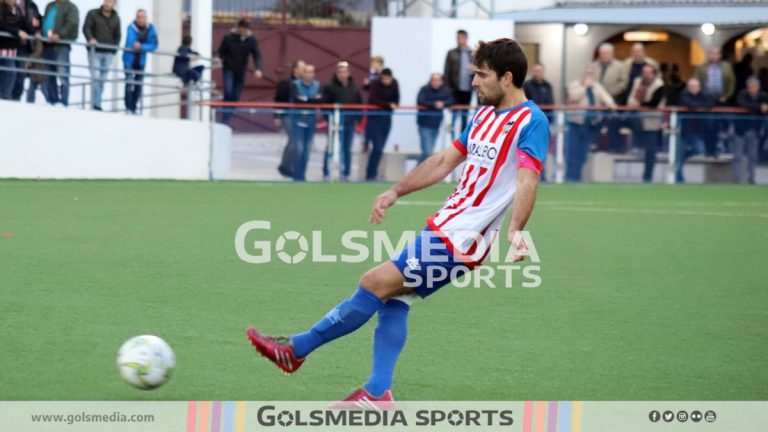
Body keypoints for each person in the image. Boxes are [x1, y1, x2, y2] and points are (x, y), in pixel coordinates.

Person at [246, 38, 550, 407]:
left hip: (463, 240)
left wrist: (516, 230)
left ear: (507, 77)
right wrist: (395, 192)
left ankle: (297, 349)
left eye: (481, 75)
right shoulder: (484, 114)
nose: (473, 82)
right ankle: (378, 392)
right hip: (445, 226)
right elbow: (442, 161)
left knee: (374, 282)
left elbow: (527, 179)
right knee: (396, 299)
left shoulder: (531, 121)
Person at [566, 66, 616, 181]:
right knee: (573, 152)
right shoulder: (575, 85)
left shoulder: (597, 87)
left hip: (590, 125)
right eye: (586, 74)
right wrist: (585, 87)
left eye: (591, 74)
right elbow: (574, 97)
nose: (589, 76)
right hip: (576, 123)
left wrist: (610, 105)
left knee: (583, 154)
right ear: (583, 75)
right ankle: (570, 178)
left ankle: (577, 177)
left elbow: (608, 99)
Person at [322, 60, 362, 182]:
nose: (342, 75)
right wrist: (328, 118)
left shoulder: (354, 88)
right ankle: (326, 171)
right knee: (331, 147)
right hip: (335, 122)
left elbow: (359, 104)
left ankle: (346, 173)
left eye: (344, 72)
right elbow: (324, 104)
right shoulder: (330, 88)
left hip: (349, 122)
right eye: (340, 72)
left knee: (347, 148)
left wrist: (357, 119)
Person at [217, 18, 262, 124]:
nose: (242, 32)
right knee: (228, 91)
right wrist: (220, 59)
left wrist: (258, 68)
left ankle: (228, 114)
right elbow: (221, 51)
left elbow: (256, 55)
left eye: (244, 30)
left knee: (236, 95)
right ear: (238, 28)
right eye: (241, 29)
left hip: (241, 71)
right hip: (228, 68)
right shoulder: (228, 38)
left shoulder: (251, 40)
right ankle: (225, 118)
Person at [627, 64, 665, 182]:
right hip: (639, 119)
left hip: (652, 122)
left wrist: (640, 104)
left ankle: (647, 177)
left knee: (650, 152)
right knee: (619, 120)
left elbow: (654, 104)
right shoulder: (637, 82)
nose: (646, 75)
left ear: (653, 74)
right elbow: (631, 100)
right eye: (644, 73)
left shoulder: (660, 85)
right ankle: (633, 146)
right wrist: (639, 103)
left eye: (649, 73)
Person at [694, 47, 736, 156]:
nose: (714, 56)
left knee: (720, 125)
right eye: (712, 53)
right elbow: (696, 83)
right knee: (707, 125)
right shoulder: (701, 68)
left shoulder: (726, 67)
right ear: (708, 55)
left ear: (720, 55)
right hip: (706, 100)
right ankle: (708, 149)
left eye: (716, 54)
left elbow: (732, 83)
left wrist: (726, 96)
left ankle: (719, 148)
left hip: (721, 100)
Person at [83, 0, 120, 111]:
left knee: (102, 80)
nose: (108, 3)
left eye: (111, 2)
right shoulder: (93, 13)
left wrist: (113, 50)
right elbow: (86, 28)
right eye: (107, 1)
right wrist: (91, 39)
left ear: (114, 4)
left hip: (108, 53)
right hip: (95, 52)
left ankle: (96, 102)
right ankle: (96, 105)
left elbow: (118, 36)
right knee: (96, 77)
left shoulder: (116, 18)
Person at [676, 78, 714, 183]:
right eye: (691, 86)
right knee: (678, 155)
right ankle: (678, 176)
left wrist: (696, 107)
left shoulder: (703, 95)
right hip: (683, 131)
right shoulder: (683, 95)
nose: (693, 89)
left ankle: (685, 155)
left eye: (695, 86)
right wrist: (698, 107)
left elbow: (710, 103)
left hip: (696, 131)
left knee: (699, 149)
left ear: (699, 87)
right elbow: (687, 103)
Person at [592, 42, 628, 153]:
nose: (604, 56)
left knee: (613, 124)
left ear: (612, 54)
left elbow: (624, 83)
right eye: (602, 53)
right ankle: (594, 145)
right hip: (597, 101)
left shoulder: (620, 66)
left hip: (613, 99)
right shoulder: (593, 66)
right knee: (595, 123)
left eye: (606, 53)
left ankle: (615, 147)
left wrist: (611, 93)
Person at [41, 0, 78, 106]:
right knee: (49, 74)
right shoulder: (49, 5)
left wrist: (59, 35)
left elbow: (72, 24)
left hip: (61, 46)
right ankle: (52, 100)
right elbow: (45, 21)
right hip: (47, 44)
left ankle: (64, 102)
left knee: (63, 73)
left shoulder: (71, 7)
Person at [289, 63, 322, 182]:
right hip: (297, 119)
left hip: (310, 120)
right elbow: (297, 100)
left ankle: (303, 174)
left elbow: (319, 100)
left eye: (311, 72)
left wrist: (306, 99)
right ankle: (296, 175)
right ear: (303, 73)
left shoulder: (317, 85)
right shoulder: (295, 84)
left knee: (307, 149)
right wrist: (311, 100)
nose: (309, 74)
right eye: (307, 71)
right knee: (299, 147)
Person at [365, 68, 399, 181]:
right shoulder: (375, 84)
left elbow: (396, 100)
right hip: (374, 119)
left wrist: (389, 105)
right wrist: (388, 105)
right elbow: (374, 100)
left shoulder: (395, 84)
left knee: (380, 148)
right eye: (384, 78)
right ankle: (370, 174)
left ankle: (373, 173)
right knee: (377, 147)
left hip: (386, 119)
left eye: (388, 78)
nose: (386, 81)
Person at [732, 77, 768, 184]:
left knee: (752, 156)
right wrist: (759, 107)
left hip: (755, 130)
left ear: (758, 88)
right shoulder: (742, 94)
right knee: (737, 156)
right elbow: (742, 104)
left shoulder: (763, 96)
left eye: (753, 88)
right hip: (740, 131)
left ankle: (751, 179)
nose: (751, 90)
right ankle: (736, 180)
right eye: (749, 87)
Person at [122, 9, 157, 114]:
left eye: (143, 17)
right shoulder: (131, 27)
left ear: (146, 18)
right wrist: (139, 45)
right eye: (139, 17)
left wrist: (142, 46)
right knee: (129, 83)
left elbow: (153, 45)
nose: (141, 19)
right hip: (129, 60)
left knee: (138, 85)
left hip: (141, 61)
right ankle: (128, 108)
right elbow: (131, 43)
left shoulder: (151, 29)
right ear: (136, 18)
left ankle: (134, 108)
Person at [274, 59, 304, 178]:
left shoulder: (304, 84)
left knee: (295, 142)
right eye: (302, 68)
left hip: (299, 116)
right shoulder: (286, 83)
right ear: (296, 70)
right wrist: (277, 116)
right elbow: (278, 100)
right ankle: (286, 166)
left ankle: (287, 165)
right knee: (293, 140)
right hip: (287, 115)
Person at [416, 73, 453, 163]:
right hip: (424, 124)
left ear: (441, 81)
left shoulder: (445, 90)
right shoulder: (424, 89)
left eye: (438, 80)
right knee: (428, 152)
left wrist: (443, 104)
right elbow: (420, 101)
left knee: (427, 153)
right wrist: (434, 104)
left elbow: (451, 101)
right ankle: (416, 174)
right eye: (434, 80)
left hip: (436, 124)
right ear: (430, 81)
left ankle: (416, 174)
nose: (436, 83)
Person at [10, 0, 41, 102]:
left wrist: (36, 29)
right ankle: (6, 95)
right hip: (9, 44)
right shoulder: (7, 5)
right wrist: (18, 32)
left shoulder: (31, 5)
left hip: (24, 46)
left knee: (20, 74)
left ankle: (15, 98)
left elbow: (35, 21)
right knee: (9, 70)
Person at [0, 0, 30, 99]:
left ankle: (7, 98)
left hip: (11, 50)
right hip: (2, 48)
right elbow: (2, 26)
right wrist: (16, 32)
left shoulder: (17, 10)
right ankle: (5, 97)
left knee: (11, 73)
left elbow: (23, 25)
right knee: (10, 73)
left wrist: (36, 31)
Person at [444, 29, 473, 132]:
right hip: (455, 89)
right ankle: (453, 139)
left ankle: (462, 139)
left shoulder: (472, 53)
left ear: (465, 38)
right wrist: (448, 90)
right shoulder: (451, 53)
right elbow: (447, 72)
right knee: (454, 115)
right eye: (457, 38)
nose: (458, 40)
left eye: (460, 37)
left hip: (468, 90)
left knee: (465, 116)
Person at [362, 55, 384, 152]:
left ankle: (371, 142)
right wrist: (366, 85)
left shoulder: (383, 76)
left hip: (380, 107)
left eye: (374, 63)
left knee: (375, 127)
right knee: (368, 124)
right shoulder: (372, 75)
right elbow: (368, 89)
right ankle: (366, 142)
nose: (373, 65)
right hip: (371, 105)